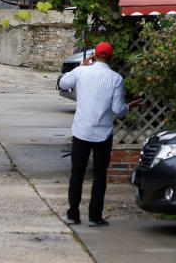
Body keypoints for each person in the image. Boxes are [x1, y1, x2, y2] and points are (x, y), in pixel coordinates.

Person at [57, 41, 141, 227]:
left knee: (76, 174)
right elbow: (118, 110)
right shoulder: (115, 79)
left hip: (81, 130)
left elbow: (63, 83)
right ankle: (95, 216)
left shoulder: (81, 72)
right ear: (110, 57)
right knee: (99, 176)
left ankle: (73, 214)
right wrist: (129, 106)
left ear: (94, 55)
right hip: (103, 133)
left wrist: (81, 65)